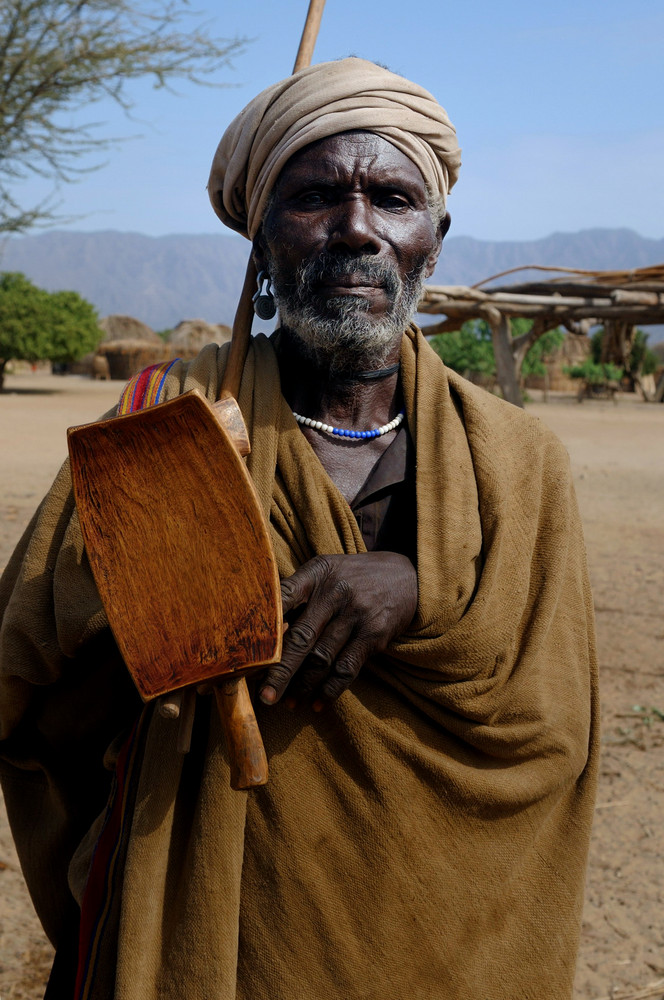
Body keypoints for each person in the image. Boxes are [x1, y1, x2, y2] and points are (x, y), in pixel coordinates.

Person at [0, 58, 598, 1000]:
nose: (357, 228)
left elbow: (551, 731)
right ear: (260, 241)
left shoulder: (518, 466)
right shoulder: (166, 422)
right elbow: (27, 678)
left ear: (431, 243)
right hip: (224, 926)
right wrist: (172, 612)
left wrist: (419, 589)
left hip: (455, 938)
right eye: (315, 197)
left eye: (392, 199)